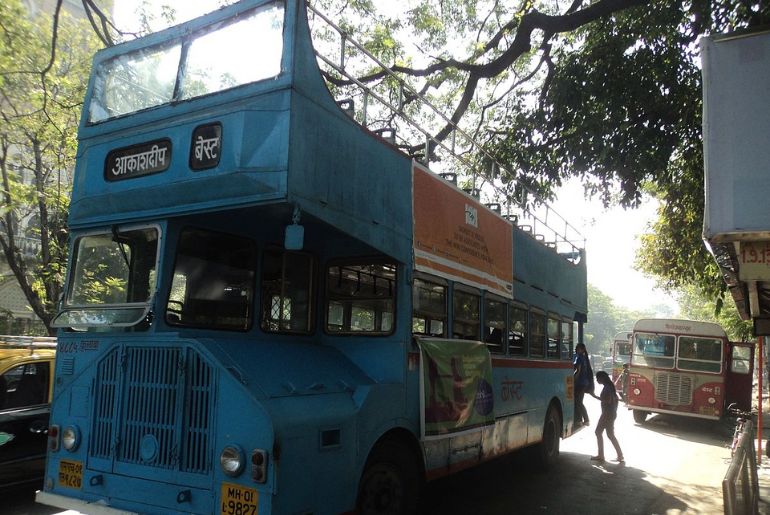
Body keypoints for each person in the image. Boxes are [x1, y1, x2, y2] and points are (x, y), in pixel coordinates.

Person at [592, 370, 624, 463]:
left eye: (598, 378)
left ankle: (601, 455)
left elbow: (607, 400)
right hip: (611, 413)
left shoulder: (607, 388)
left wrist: (594, 396)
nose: (597, 380)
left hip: (607, 414)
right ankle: (620, 455)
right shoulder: (610, 386)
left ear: (602, 378)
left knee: (598, 432)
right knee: (610, 435)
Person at [573, 343, 594, 427]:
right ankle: (583, 420)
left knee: (578, 402)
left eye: (577, 349)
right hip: (584, 383)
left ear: (582, 349)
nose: (576, 350)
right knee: (579, 402)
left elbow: (578, 371)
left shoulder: (579, 358)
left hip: (580, 383)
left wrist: (573, 380)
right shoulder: (585, 358)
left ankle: (582, 419)